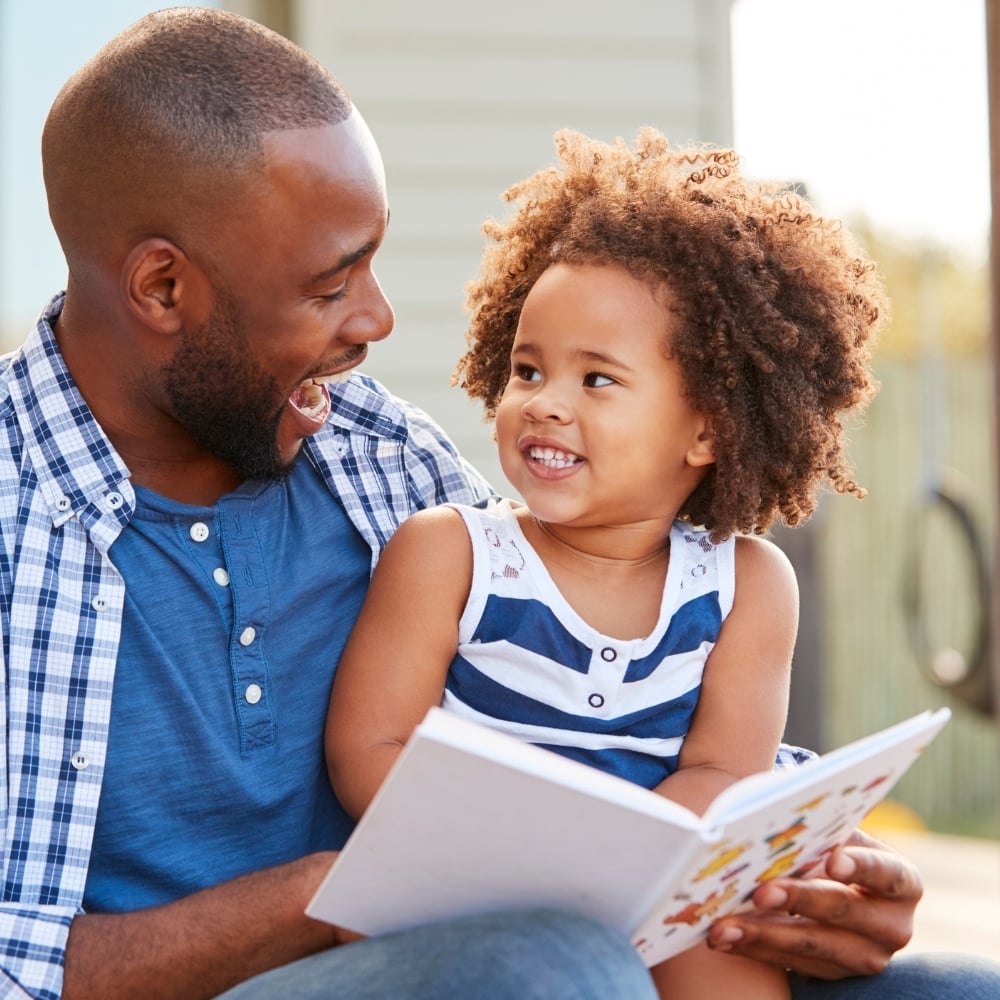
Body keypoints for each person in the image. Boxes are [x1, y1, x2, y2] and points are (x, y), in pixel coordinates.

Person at [0, 6, 996, 999]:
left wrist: (808, 862)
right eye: (330, 282)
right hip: (395, 967)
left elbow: (604, 693)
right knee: (555, 962)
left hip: (502, 952)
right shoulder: (15, 518)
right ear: (165, 288)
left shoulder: (378, 458)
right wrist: (333, 894)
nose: (378, 320)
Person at [323, 127, 883, 1000]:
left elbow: (723, 773)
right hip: (474, 890)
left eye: (597, 381)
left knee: (723, 946)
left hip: (654, 882)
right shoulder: (453, 554)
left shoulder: (748, 586)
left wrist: (626, 865)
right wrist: (521, 858)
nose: (545, 403)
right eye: (528, 368)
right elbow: (370, 745)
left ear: (709, 429)